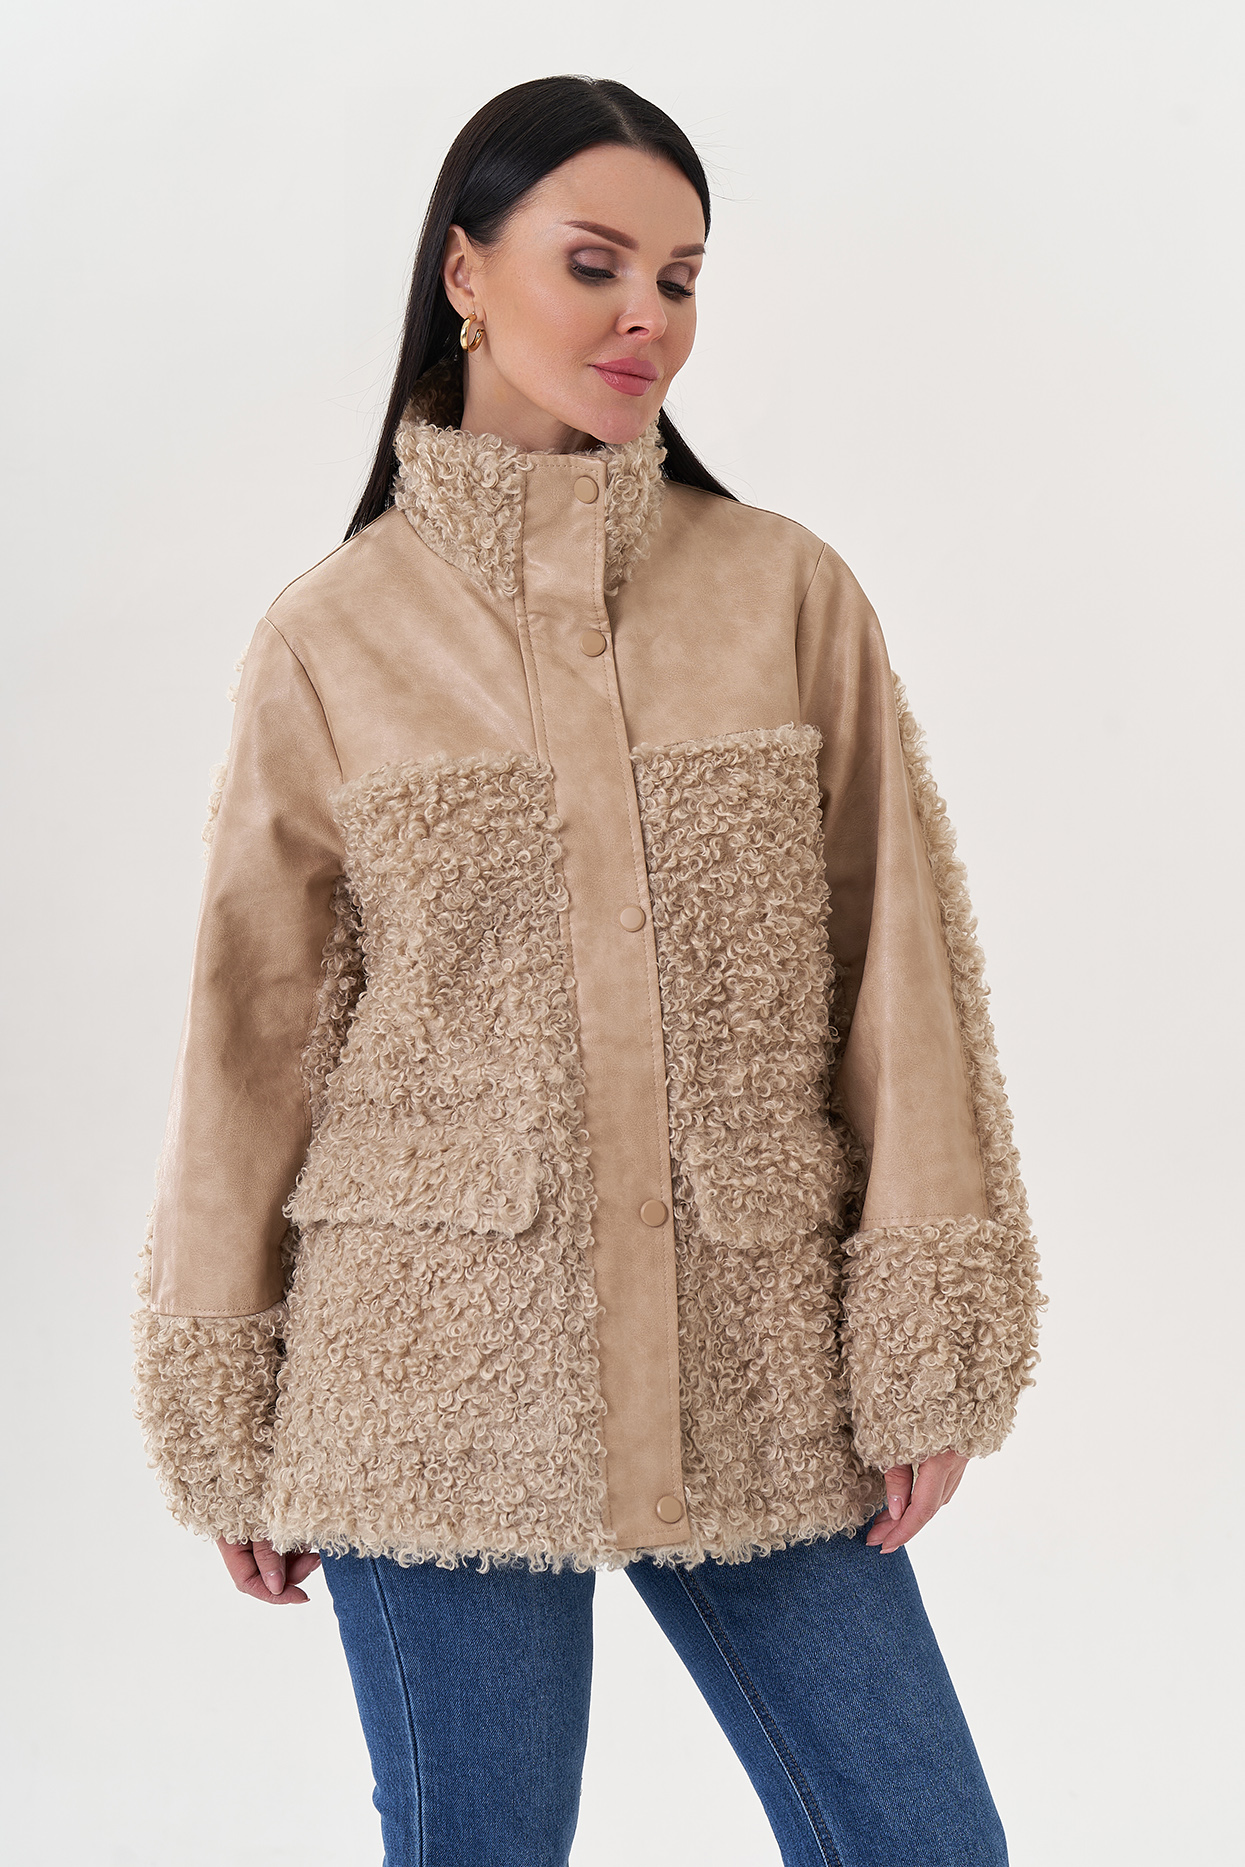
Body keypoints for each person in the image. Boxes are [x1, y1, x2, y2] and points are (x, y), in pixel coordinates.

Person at [133, 74, 1044, 1867]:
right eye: (596, 264)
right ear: (465, 273)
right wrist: (227, 1400)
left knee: (922, 1839)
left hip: (758, 1344)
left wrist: (920, 1338)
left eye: (682, 279)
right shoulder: (334, 637)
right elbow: (251, 1041)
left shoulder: (782, 593)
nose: (649, 318)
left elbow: (900, 975)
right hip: (427, 1368)